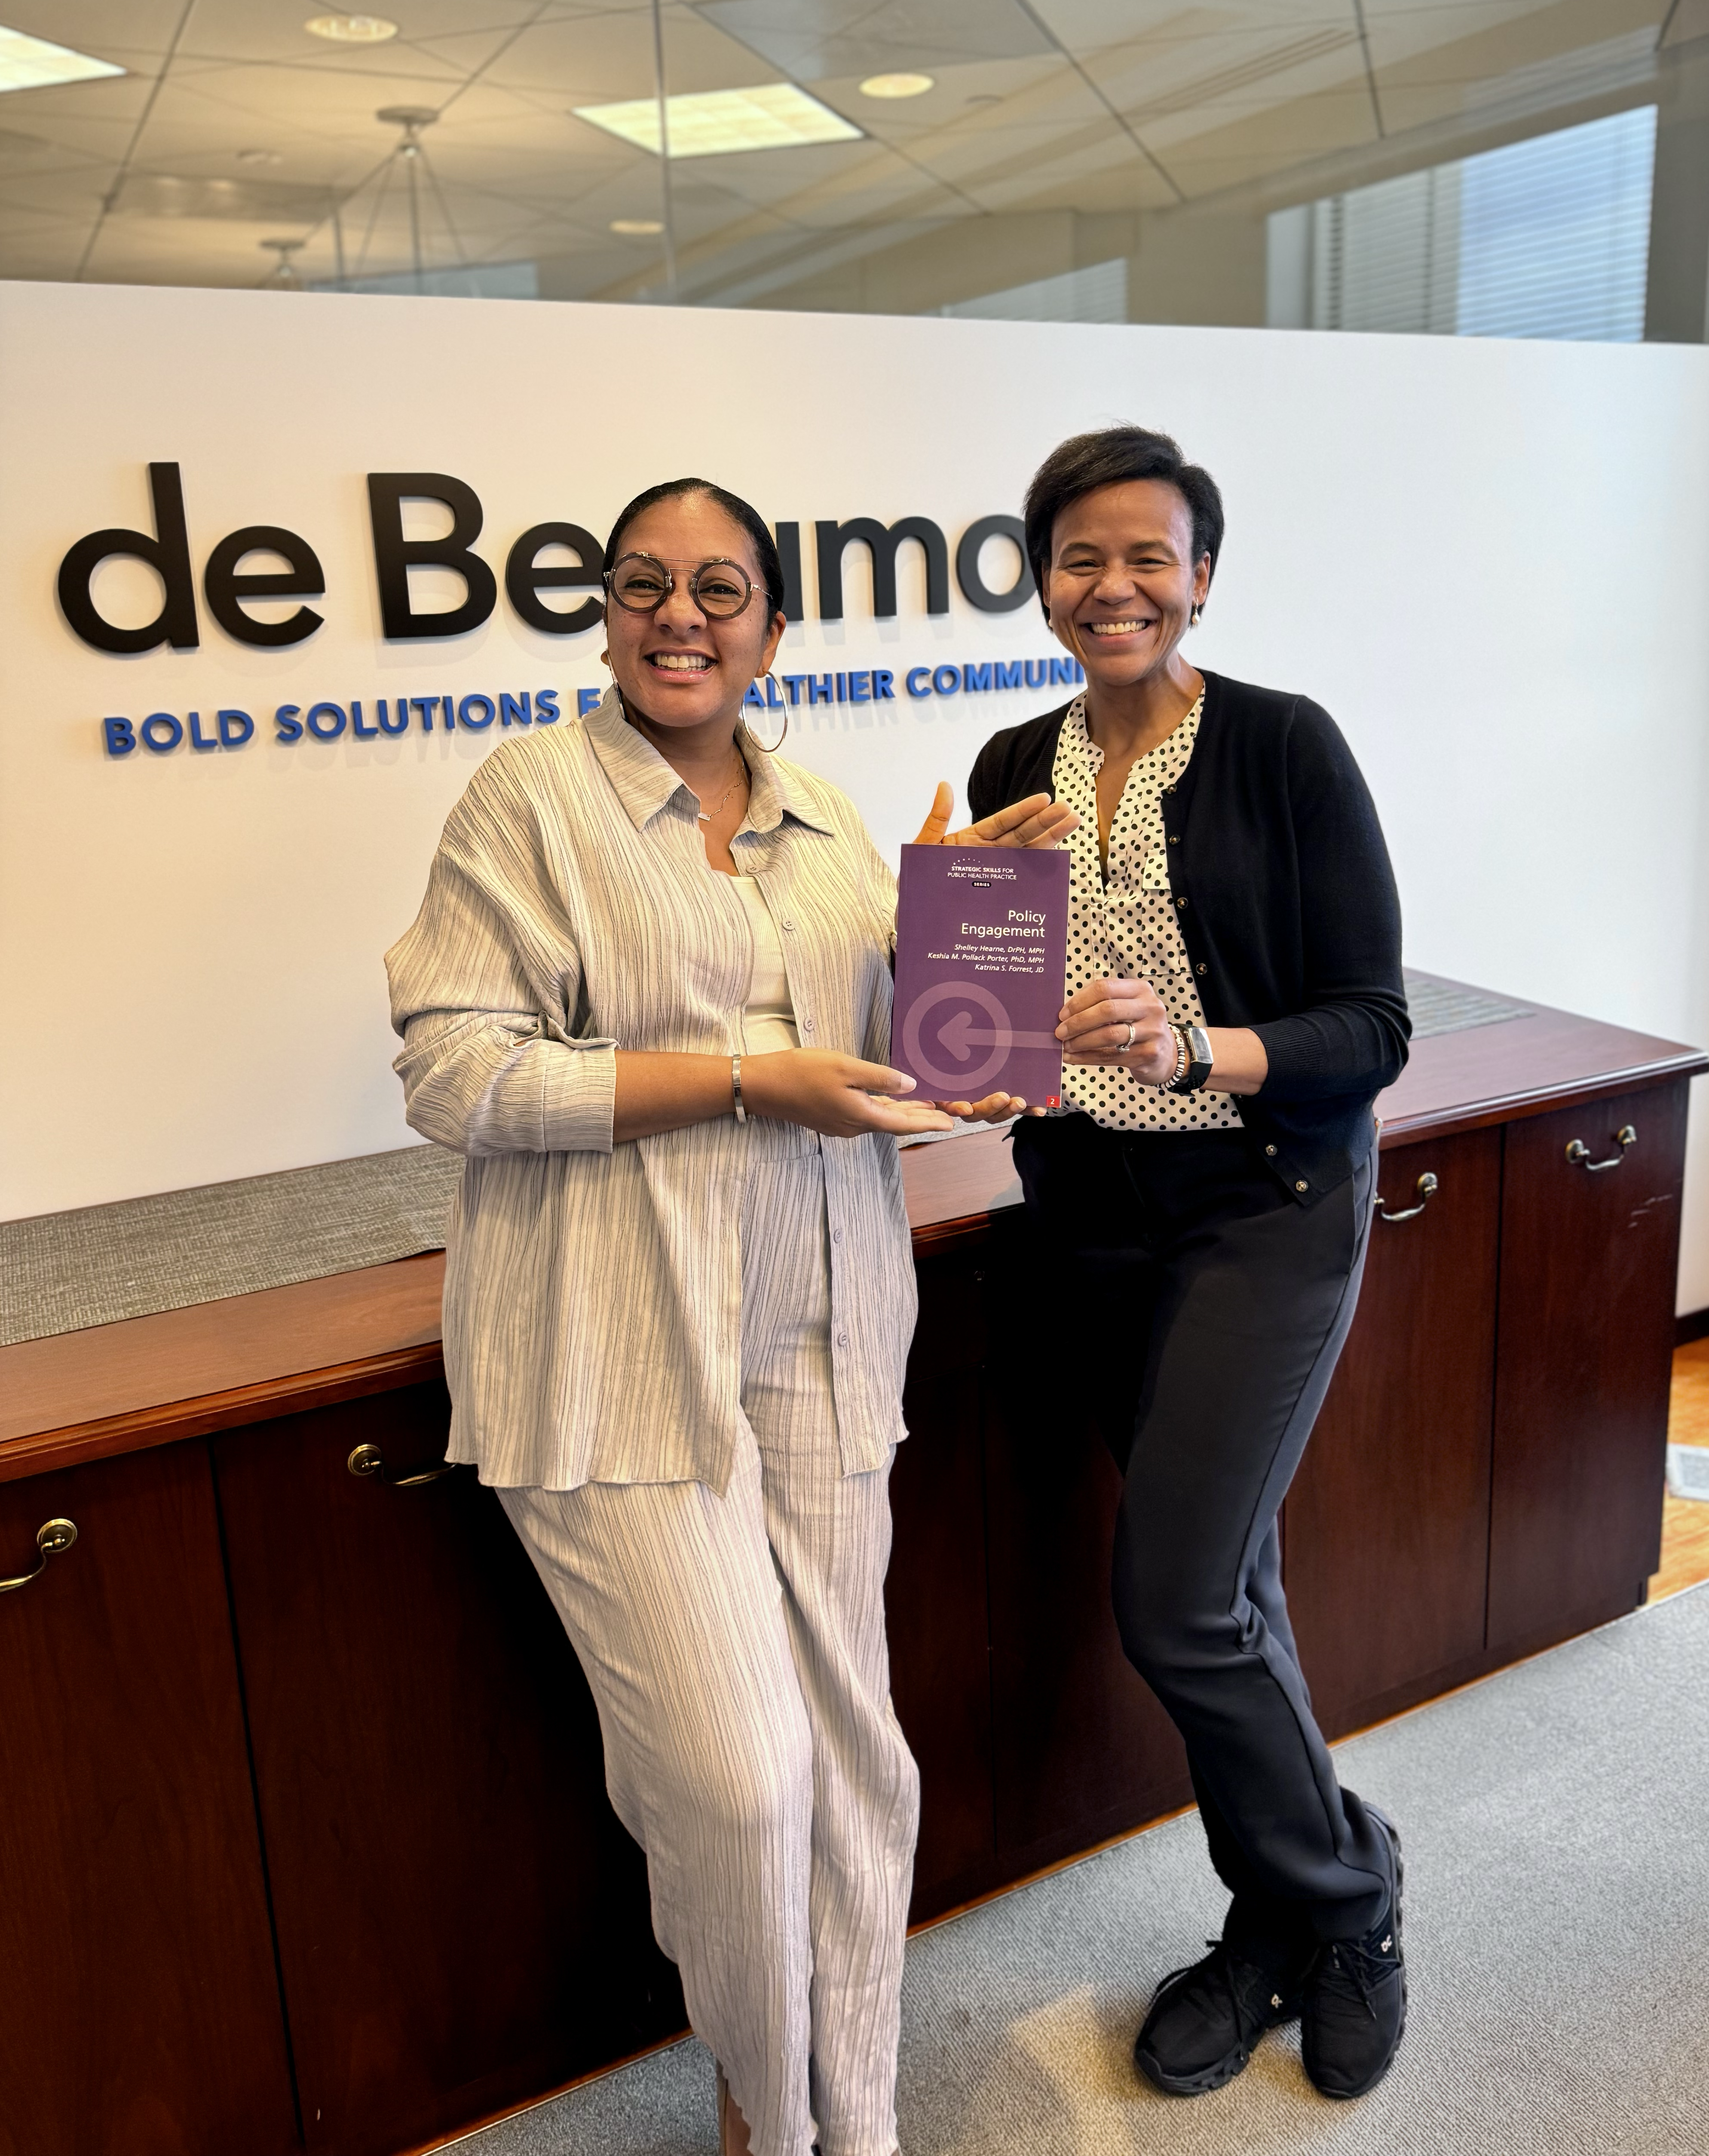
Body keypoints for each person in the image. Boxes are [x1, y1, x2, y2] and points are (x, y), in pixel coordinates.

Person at [384, 476, 1073, 2156]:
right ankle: (770, 2113)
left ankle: (859, 2116)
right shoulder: (531, 797)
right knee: (741, 1781)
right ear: (606, 613)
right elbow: (457, 1074)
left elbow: (941, 1073)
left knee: (858, 1772)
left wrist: (977, 927)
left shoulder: (832, 819)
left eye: (716, 588)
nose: (676, 614)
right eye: (642, 585)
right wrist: (749, 1079)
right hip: (609, 1352)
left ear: (773, 625)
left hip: (827, 1339)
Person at [965, 426, 1412, 2104]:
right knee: (1231, 1591)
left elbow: (1371, 1026)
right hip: (1087, 1216)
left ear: (1201, 576)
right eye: (1081, 556)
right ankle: (1273, 1928)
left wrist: (1197, 1043)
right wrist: (952, 939)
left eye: (1148, 555)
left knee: (1175, 1603)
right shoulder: (1015, 747)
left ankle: (1344, 1903)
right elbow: (978, 1045)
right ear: (1042, 581)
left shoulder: (1286, 747)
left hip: (1262, 1205)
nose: (1115, 585)